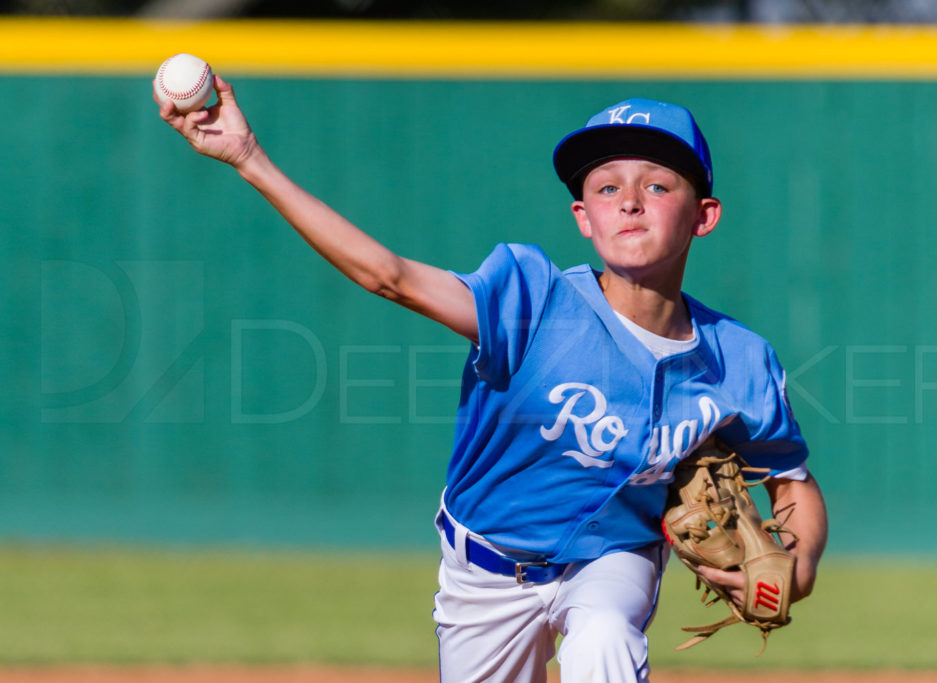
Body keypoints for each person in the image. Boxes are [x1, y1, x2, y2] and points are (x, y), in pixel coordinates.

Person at [156, 80, 828, 683]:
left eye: (657, 185)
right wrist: (250, 159)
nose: (629, 201)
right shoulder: (532, 298)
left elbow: (791, 479)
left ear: (702, 215)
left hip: (611, 559)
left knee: (604, 640)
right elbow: (386, 274)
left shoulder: (737, 359)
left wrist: (797, 570)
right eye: (605, 187)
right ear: (582, 219)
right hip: (486, 568)